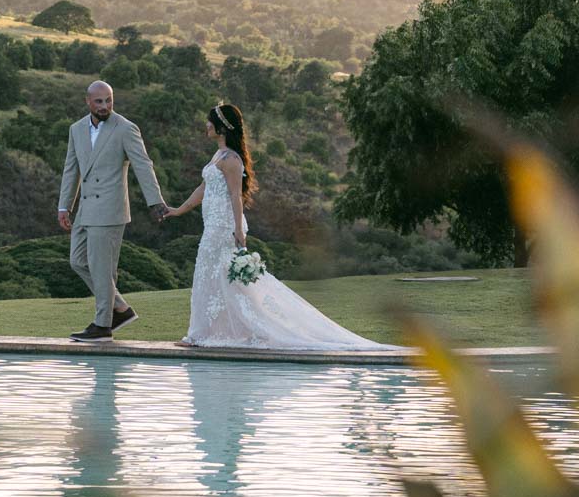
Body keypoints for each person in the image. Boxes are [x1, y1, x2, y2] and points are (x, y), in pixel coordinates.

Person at [164, 103, 402, 351]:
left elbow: (236, 196)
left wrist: (238, 229)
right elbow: (203, 189)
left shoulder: (232, 160)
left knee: (225, 278)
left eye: (210, 121)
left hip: (224, 226)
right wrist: (178, 210)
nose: (206, 125)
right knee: (209, 276)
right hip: (211, 226)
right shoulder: (217, 156)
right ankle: (201, 333)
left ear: (222, 127)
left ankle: (215, 333)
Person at [58, 80, 169, 342]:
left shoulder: (125, 128)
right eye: (99, 101)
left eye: (109, 100)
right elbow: (71, 169)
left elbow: (143, 165)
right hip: (85, 209)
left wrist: (155, 201)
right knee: (78, 261)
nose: (105, 106)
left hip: (110, 210)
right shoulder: (76, 129)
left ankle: (102, 325)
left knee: (102, 269)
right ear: (88, 102)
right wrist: (65, 205)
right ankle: (120, 308)